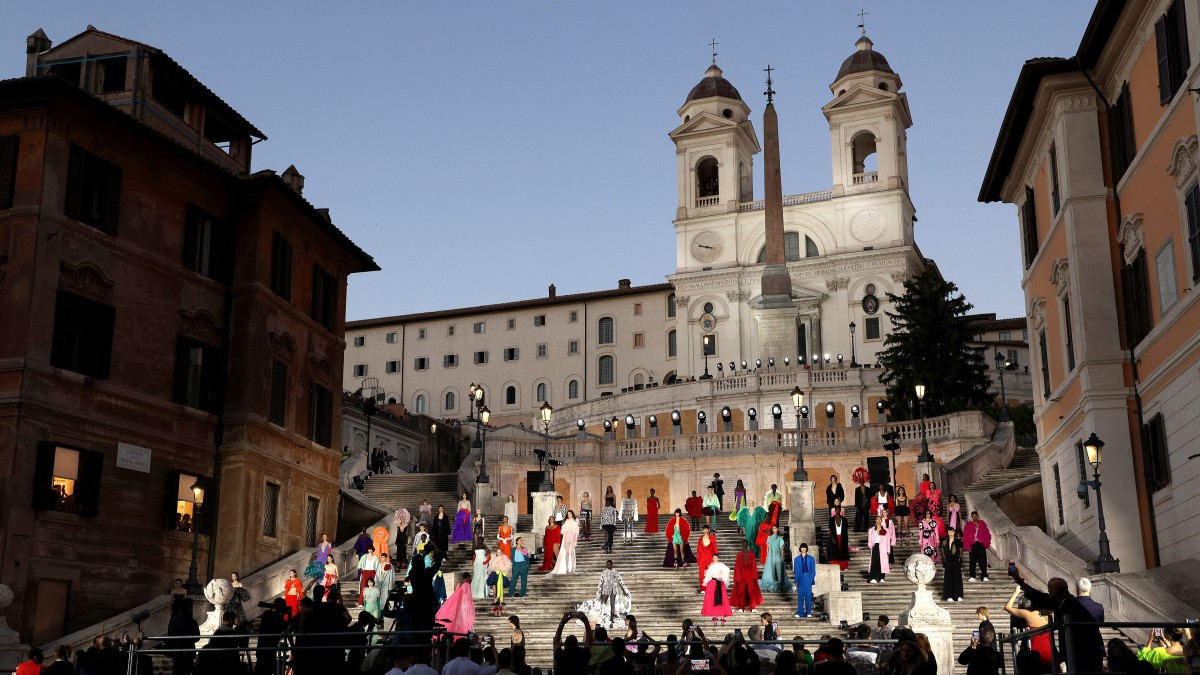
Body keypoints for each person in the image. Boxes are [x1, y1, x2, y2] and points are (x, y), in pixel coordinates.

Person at [1012, 569, 1105, 674]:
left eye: (1050, 588)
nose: (1048, 590)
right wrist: (1018, 580)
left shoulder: (1071, 604)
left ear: (1057, 590)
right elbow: (1037, 597)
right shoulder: (1058, 602)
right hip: (1075, 651)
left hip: (1085, 652)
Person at [1003, 586, 1054, 674]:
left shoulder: (1029, 615)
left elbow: (1007, 607)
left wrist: (1016, 592)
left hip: (1034, 650)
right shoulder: (1051, 614)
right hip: (1049, 650)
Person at [577, 560, 631, 629]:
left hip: (613, 589)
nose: (608, 565)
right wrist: (600, 591)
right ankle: (601, 616)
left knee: (612, 604)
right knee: (603, 603)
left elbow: (620, 581)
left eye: (609, 564)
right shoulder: (604, 572)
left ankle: (612, 617)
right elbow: (601, 582)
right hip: (605, 589)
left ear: (612, 564)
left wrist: (624, 591)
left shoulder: (615, 572)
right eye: (607, 564)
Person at [167, 597, 200, 675]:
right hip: (187, 653)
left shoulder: (174, 619)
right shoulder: (191, 621)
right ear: (189, 607)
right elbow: (197, 637)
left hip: (176, 653)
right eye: (191, 606)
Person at [732, 540, 764, 612]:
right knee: (741, 591)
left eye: (745, 543)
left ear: (747, 544)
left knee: (751, 590)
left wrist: (754, 576)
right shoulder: (739, 554)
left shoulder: (751, 554)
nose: (744, 544)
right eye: (743, 543)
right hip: (741, 574)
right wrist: (737, 576)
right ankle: (741, 607)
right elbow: (737, 566)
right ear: (741, 544)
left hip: (750, 574)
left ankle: (752, 606)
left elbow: (754, 565)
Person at [701, 553, 732, 626]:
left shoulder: (722, 566)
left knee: (722, 599)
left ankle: (722, 616)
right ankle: (714, 616)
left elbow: (726, 573)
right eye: (714, 558)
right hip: (712, 583)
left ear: (718, 559)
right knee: (712, 600)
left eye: (716, 558)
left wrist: (722, 578)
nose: (715, 559)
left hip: (720, 583)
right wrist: (706, 583)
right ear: (712, 558)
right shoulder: (710, 566)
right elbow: (708, 575)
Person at [549, 510, 580, 575]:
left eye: (570, 514)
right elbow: (563, 532)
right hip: (566, 539)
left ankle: (573, 569)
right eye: (568, 514)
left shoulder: (575, 522)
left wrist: (575, 541)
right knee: (567, 553)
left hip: (572, 538)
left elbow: (576, 533)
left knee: (572, 553)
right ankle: (567, 568)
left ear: (572, 515)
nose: (569, 515)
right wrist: (563, 541)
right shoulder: (565, 522)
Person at [759, 524, 788, 593]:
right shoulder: (769, 538)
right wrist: (767, 557)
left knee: (779, 572)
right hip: (770, 556)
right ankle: (772, 586)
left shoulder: (780, 539)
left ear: (778, 529)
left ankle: (780, 585)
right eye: (773, 528)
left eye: (775, 528)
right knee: (770, 572)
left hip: (778, 556)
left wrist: (782, 557)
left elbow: (782, 549)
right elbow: (767, 548)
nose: (774, 529)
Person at [963, 511, 991, 582]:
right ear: (971, 517)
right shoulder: (968, 525)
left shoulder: (982, 524)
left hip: (981, 544)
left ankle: (984, 575)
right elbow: (965, 536)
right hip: (972, 544)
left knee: (983, 561)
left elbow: (987, 534)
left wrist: (985, 543)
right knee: (972, 561)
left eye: (976, 516)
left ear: (977, 516)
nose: (974, 517)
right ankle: (972, 576)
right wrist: (968, 546)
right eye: (973, 516)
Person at [792, 543, 817, 618]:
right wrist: (796, 581)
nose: (803, 549)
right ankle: (800, 613)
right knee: (800, 596)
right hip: (800, 578)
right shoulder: (796, 559)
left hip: (808, 577)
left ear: (806, 549)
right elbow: (796, 571)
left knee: (808, 595)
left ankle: (808, 612)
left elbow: (813, 570)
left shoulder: (811, 558)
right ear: (800, 549)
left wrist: (810, 578)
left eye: (804, 548)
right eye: (802, 548)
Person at [941, 528, 964, 602]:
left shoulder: (958, 541)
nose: (950, 533)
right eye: (949, 532)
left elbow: (960, 551)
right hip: (948, 560)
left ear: (954, 532)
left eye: (952, 532)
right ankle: (949, 596)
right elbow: (943, 551)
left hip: (956, 560)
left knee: (957, 577)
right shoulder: (945, 541)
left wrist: (960, 559)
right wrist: (944, 560)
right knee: (948, 578)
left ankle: (959, 595)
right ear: (947, 533)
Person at [866, 516, 892, 583]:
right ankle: (873, 577)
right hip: (875, 546)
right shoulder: (871, 530)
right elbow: (869, 539)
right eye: (877, 519)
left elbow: (888, 541)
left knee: (882, 562)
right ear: (875, 520)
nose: (879, 521)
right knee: (874, 562)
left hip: (883, 547)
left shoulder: (886, 530)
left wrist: (888, 550)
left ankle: (881, 577)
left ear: (881, 521)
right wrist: (871, 545)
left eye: (880, 519)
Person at [488, 550, 513, 615]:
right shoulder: (494, 560)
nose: (499, 553)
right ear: (496, 553)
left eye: (500, 552)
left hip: (501, 575)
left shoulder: (505, 559)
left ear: (502, 552)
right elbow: (491, 568)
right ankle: (495, 609)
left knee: (500, 591)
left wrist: (502, 570)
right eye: (497, 552)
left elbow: (508, 567)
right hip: (495, 575)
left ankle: (500, 609)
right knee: (495, 592)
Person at [696, 525, 719, 592]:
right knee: (702, 574)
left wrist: (715, 558)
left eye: (707, 529)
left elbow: (715, 548)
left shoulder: (712, 538)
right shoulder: (700, 539)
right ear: (703, 530)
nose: (705, 531)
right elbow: (698, 550)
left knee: (711, 573)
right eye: (704, 529)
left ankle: (711, 588)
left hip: (710, 558)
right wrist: (699, 559)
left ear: (708, 530)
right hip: (702, 558)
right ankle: (703, 589)